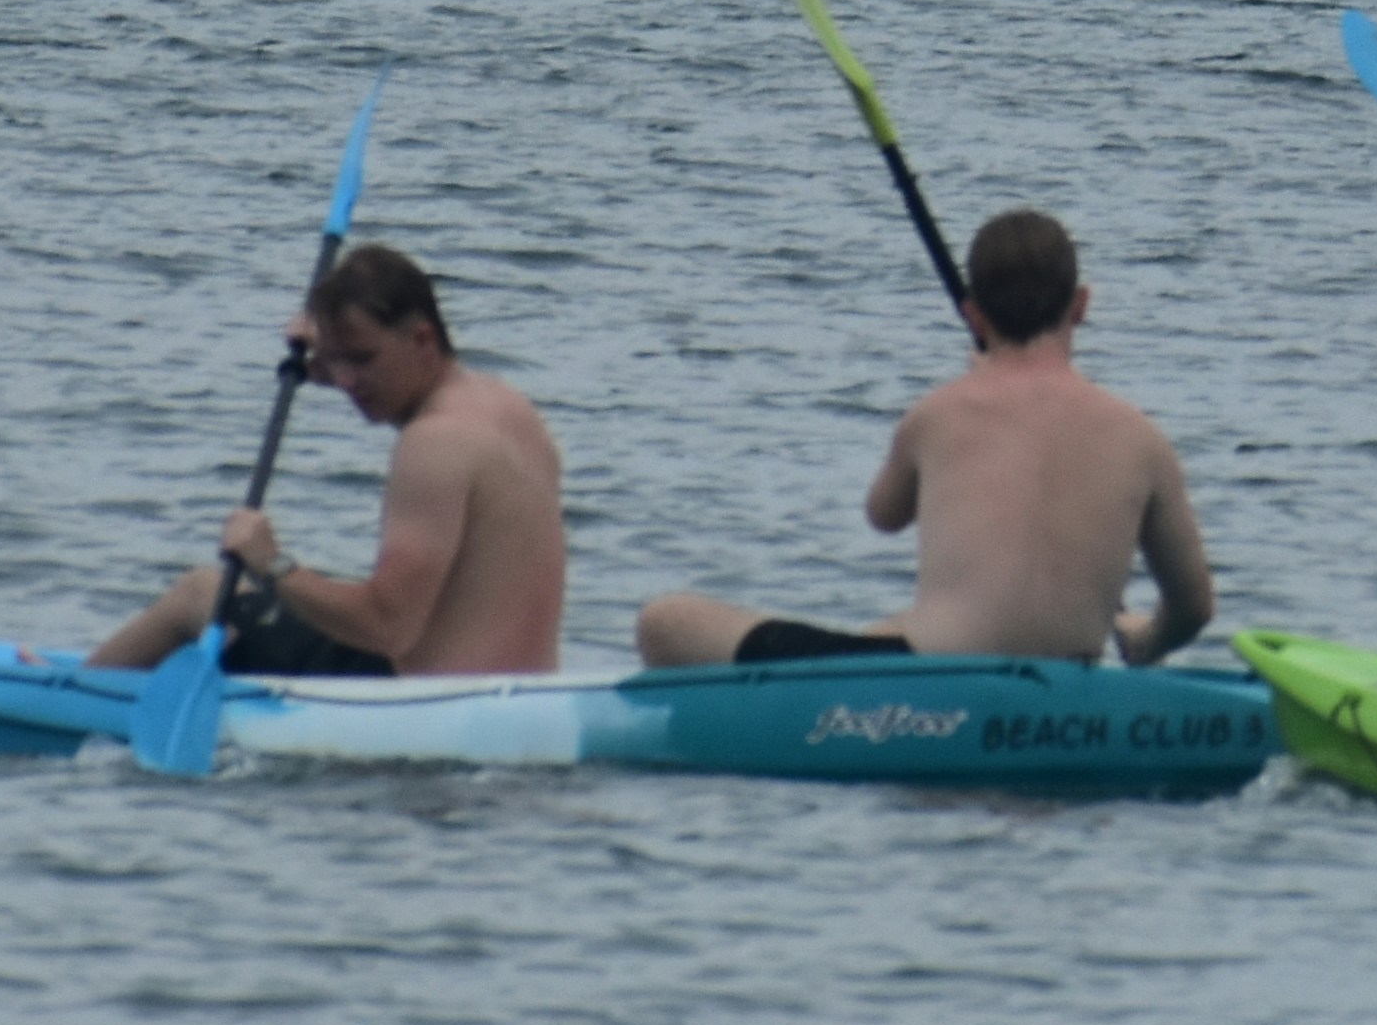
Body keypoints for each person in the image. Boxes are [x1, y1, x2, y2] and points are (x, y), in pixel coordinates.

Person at [633, 207, 1215, 669]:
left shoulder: (938, 414)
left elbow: (883, 515)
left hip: (932, 676)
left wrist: (969, 388)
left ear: (973, 316)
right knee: (886, 629)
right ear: (1081, 306)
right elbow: (1194, 608)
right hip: (1064, 672)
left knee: (665, 621)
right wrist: (1146, 641)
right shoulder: (1142, 439)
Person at [88, 242, 570, 679]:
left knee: (201, 594)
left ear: (422, 340)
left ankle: (68, 696)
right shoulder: (505, 406)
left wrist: (273, 563)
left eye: (361, 360)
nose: (345, 381)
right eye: (336, 361)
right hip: (520, 690)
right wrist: (320, 364)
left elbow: (389, 628)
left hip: (422, 701)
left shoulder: (432, 445)